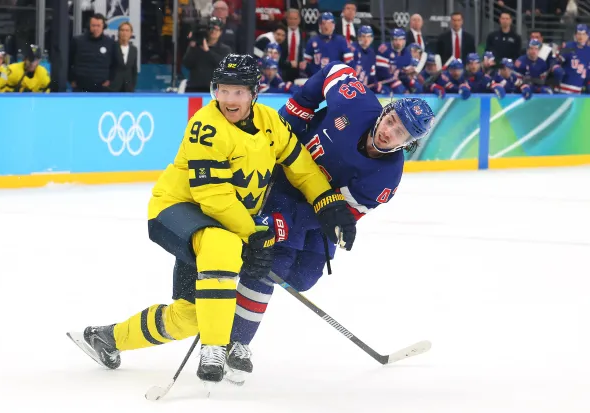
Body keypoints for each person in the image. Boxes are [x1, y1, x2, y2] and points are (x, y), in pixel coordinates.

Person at [67, 54, 357, 384]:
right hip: (177, 211)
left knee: (189, 316)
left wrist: (329, 203)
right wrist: (253, 234)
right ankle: (215, 346)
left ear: (254, 93)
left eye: (238, 92)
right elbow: (214, 198)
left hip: (223, 223)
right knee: (224, 243)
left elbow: (302, 167)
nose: (229, 100)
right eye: (223, 90)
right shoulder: (205, 127)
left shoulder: (269, 123)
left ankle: (108, 338)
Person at [224, 61, 435, 384]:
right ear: (385, 111)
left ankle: (247, 267)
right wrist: (297, 110)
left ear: (407, 143)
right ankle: (236, 342)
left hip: (316, 210)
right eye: (391, 120)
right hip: (283, 182)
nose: (388, 131)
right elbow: (333, 69)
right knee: (273, 263)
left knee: (304, 277)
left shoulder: (386, 179)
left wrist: (290, 224)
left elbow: (340, 215)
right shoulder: (356, 101)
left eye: (399, 133)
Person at [68, 13, 118, 92]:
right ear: (89, 26)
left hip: (102, 87)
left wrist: (110, 80)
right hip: (80, 86)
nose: (96, 28)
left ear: (103, 27)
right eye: (93, 25)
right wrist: (71, 80)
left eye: (98, 26)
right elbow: (68, 62)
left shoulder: (110, 43)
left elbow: (114, 64)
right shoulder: (77, 41)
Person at [182, 17, 232, 92]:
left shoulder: (225, 49)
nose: (213, 31)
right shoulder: (196, 47)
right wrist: (192, 46)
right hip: (194, 88)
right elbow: (187, 64)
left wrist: (207, 51)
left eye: (216, 29)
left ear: (221, 32)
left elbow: (223, 66)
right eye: (211, 28)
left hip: (215, 90)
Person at [302, 12, 353, 76]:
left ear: (333, 25)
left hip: (335, 79)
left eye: (329, 23)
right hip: (316, 79)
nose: (326, 26)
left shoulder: (341, 41)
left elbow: (349, 63)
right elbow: (306, 64)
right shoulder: (312, 41)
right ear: (320, 25)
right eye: (324, 23)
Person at [376, 28, 411, 95]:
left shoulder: (407, 54)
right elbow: (381, 73)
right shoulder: (384, 49)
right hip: (382, 82)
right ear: (391, 40)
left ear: (404, 40)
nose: (398, 42)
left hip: (396, 81)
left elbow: (405, 76)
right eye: (395, 39)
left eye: (400, 39)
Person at [558, 24, 590, 94]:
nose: (581, 37)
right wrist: (556, 67)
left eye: (584, 34)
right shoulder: (568, 46)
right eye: (579, 34)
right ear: (575, 35)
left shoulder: (589, 51)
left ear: (588, 35)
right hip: (563, 89)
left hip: (578, 91)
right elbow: (557, 61)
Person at [111, 21, 138, 92]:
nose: (124, 33)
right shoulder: (112, 47)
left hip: (128, 87)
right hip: (113, 87)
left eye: (127, 30)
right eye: (122, 30)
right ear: (118, 32)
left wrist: (132, 85)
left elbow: (134, 69)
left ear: (131, 33)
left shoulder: (134, 49)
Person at [353, 26, 378, 91]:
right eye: (363, 36)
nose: (366, 39)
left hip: (364, 87)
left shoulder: (372, 53)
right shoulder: (352, 49)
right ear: (358, 37)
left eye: (368, 36)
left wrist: (376, 83)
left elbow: (372, 75)